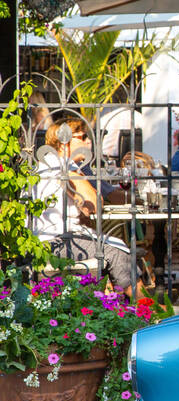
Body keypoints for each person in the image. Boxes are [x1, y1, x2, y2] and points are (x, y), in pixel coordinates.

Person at [31, 115, 140, 297]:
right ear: (64, 141)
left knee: (112, 245)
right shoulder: (62, 166)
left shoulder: (49, 164)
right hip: (55, 240)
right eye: (82, 137)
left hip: (51, 238)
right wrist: (75, 174)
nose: (88, 141)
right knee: (116, 250)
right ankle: (144, 305)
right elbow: (95, 205)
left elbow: (88, 207)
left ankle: (114, 301)